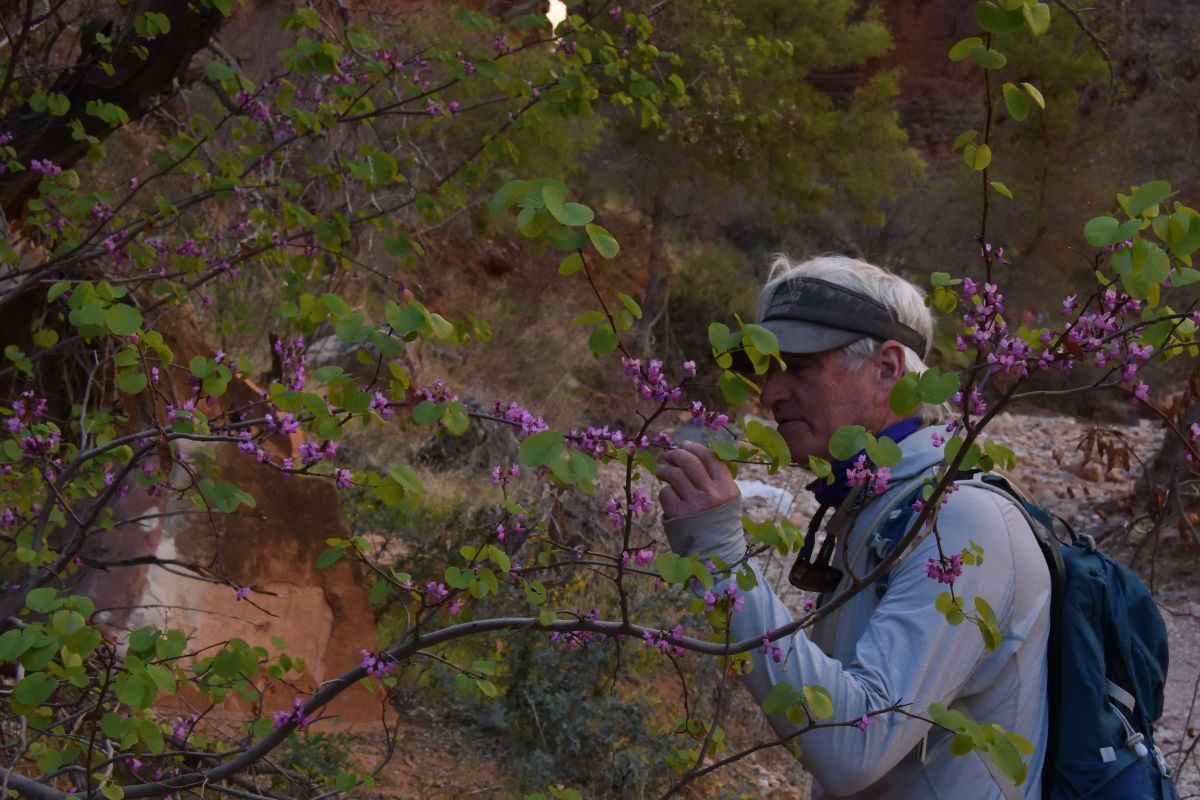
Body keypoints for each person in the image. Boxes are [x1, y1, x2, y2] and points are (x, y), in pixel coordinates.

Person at [656, 255, 1051, 799]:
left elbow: (852, 748)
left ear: (887, 369)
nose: (770, 394)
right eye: (768, 370)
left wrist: (724, 558)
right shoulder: (878, 508)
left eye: (798, 367)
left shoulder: (958, 519)